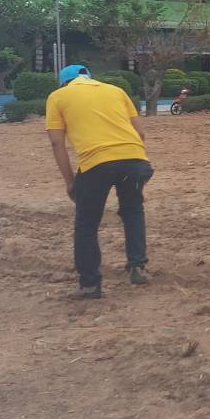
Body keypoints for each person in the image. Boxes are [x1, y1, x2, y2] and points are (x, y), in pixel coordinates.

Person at [44, 64, 154, 299]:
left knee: (87, 223)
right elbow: (141, 133)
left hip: (95, 164)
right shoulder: (116, 91)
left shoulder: (58, 97)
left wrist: (70, 181)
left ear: (65, 82)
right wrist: (135, 167)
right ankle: (138, 267)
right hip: (135, 159)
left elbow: (56, 142)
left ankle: (90, 284)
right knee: (133, 211)